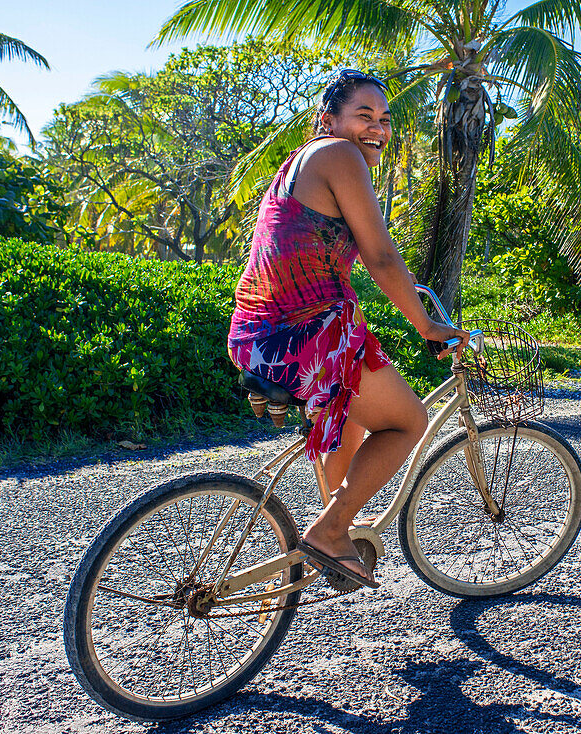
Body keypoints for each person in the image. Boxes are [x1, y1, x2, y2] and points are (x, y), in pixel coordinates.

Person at [228, 70, 469, 589]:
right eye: (364, 116)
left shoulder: (301, 163)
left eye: (384, 120)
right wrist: (426, 323)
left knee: (350, 418)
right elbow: (381, 256)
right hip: (304, 335)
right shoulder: (338, 155)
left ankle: (338, 535)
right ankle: (330, 533)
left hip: (261, 332)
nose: (377, 129)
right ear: (329, 120)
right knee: (407, 421)